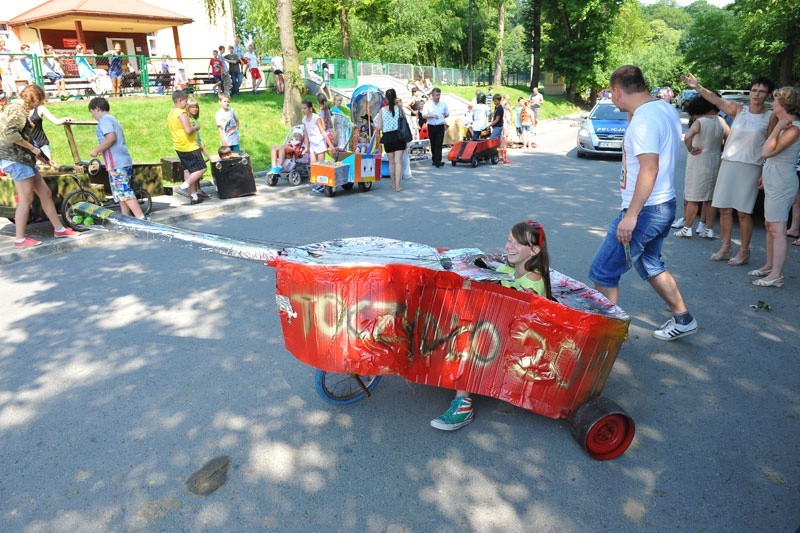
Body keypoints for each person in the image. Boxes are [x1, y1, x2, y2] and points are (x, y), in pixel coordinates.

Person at [589, 65, 697, 341]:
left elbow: (649, 169)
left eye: (612, 94)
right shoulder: (662, 109)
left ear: (616, 90)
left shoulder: (643, 122)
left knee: (603, 271)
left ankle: (606, 336)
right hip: (663, 205)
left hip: (646, 210)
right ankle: (683, 319)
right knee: (650, 264)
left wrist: (631, 215)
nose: (612, 100)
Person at [431, 220, 553, 431]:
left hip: (517, 342)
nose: (509, 246)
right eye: (509, 240)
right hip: (501, 329)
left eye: (518, 243)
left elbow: (516, 315)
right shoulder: (508, 267)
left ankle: (463, 405)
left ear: (534, 250)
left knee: (469, 335)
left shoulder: (533, 281)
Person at [681, 73, 777, 265]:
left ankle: (744, 251)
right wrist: (697, 86)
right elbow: (715, 99)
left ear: (768, 95)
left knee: (743, 212)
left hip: (751, 166)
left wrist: (765, 171)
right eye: (754, 90)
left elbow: (771, 144)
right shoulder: (739, 110)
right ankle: (725, 247)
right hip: (729, 163)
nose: (757, 95)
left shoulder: (771, 117)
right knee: (724, 209)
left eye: (762, 91)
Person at [0, 85, 75, 247]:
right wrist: (33, 148)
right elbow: (11, 135)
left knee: (45, 193)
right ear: (34, 99)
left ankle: (59, 229)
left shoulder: (17, 109)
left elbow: (24, 138)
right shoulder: (17, 110)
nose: (39, 105)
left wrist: (44, 160)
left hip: (24, 159)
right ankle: (20, 239)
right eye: (39, 102)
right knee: (26, 198)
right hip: (16, 159)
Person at [748, 86, 800, 288]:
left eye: (776, 100)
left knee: (777, 229)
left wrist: (778, 128)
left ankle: (776, 275)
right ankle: (769, 266)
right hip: (773, 175)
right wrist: (764, 173)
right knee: (770, 226)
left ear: (785, 104)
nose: (772, 102)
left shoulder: (794, 128)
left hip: (782, 179)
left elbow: (767, 151)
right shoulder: (787, 125)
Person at [673, 95, 728, 239]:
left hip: (699, 161)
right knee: (710, 198)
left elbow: (687, 136)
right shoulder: (721, 121)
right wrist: (722, 147)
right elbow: (729, 136)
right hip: (715, 160)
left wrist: (690, 149)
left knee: (693, 197)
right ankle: (708, 229)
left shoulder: (700, 122)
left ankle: (687, 228)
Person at [87, 97, 145, 219]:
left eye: (92, 112)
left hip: (116, 162)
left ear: (97, 108)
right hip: (122, 160)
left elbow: (111, 138)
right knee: (120, 192)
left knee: (124, 191)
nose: (93, 116)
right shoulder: (111, 118)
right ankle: (125, 217)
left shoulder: (104, 120)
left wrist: (97, 149)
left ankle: (140, 217)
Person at [168, 90, 207, 205]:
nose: (186, 104)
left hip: (179, 145)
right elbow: (188, 130)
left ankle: (194, 196)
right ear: (180, 100)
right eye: (185, 101)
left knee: (190, 170)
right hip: (189, 146)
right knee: (202, 168)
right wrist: (196, 127)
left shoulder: (171, 113)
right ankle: (185, 185)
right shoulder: (182, 113)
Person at [375, 88, 407, 192]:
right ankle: (398, 185)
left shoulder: (382, 110)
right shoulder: (399, 109)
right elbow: (405, 122)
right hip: (399, 136)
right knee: (398, 162)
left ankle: (393, 183)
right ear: (395, 97)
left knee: (391, 162)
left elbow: (379, 126)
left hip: (387, 138)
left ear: (386, 98)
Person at [302, 99, 335, 195]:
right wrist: (306, 147)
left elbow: (323, 132)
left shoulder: (316, 118)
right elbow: (306, 134)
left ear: (310, 108)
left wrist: (331, 145)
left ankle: (322, 184)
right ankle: (319, 183)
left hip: (320, 143)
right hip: (312, 144)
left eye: (305, 108)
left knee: (321, 165)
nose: (303, 110)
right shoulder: (304, 120)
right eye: (302, 108)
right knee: (313, 166)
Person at [28, 99, 74, 166]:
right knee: (35, 169)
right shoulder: (21, 110)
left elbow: (56, 121)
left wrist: (65, 119)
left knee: (48, 168)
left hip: (42, 143)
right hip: (29, 145)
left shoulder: (40, 108)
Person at [422, 88, 449, 167]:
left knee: (439, 143)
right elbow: (424, 115)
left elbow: (447, 114)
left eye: (439, 95)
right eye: (436, 95)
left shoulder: (443, 104)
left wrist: (444, 115)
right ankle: (434, 159)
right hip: (431, 126)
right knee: (433, 143)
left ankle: (438, 160)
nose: (438, 97)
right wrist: (432, 115)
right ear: (432, 96)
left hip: (440, 126)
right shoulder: (428, 104)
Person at [185, 99, 213, 168]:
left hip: (198, 143)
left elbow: (196, 133)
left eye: (196, 107)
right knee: (199, 167)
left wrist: (200, 141)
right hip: (192, 146)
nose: (195, 109)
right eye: (192, 107)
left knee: (205, 162)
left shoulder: (194, 119)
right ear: (188, 108)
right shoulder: (188, 119)